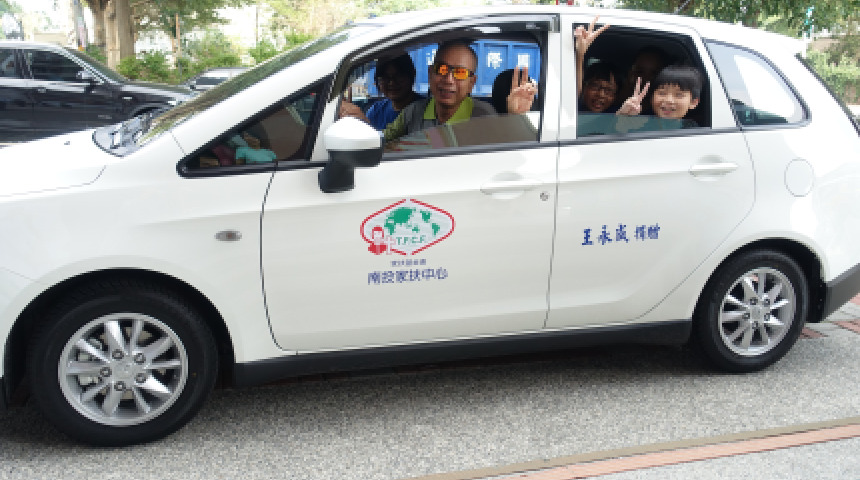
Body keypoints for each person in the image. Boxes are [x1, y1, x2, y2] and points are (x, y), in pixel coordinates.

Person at [381, 40, 537, 142]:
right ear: (430, 74)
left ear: (471, 83)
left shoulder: (484, 117)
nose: (449, 79)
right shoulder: (413, 112)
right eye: (442, 69)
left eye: (460, 72)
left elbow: (510, 155)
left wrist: (516, 118)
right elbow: (382, 141)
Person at [340, 54, 423, 130]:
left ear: (412, 75)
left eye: (399, 76)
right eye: (385, 78)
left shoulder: (424, 109)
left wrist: (365, 124)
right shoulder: (376, 110)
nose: (392, 83)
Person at [616, 65, 703, 128]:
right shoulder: (639, 126)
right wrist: (621, 120)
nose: (669, 100)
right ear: (651, 98)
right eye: (662, 93)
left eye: (679, 95)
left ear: (693, 102)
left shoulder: (695, 132)